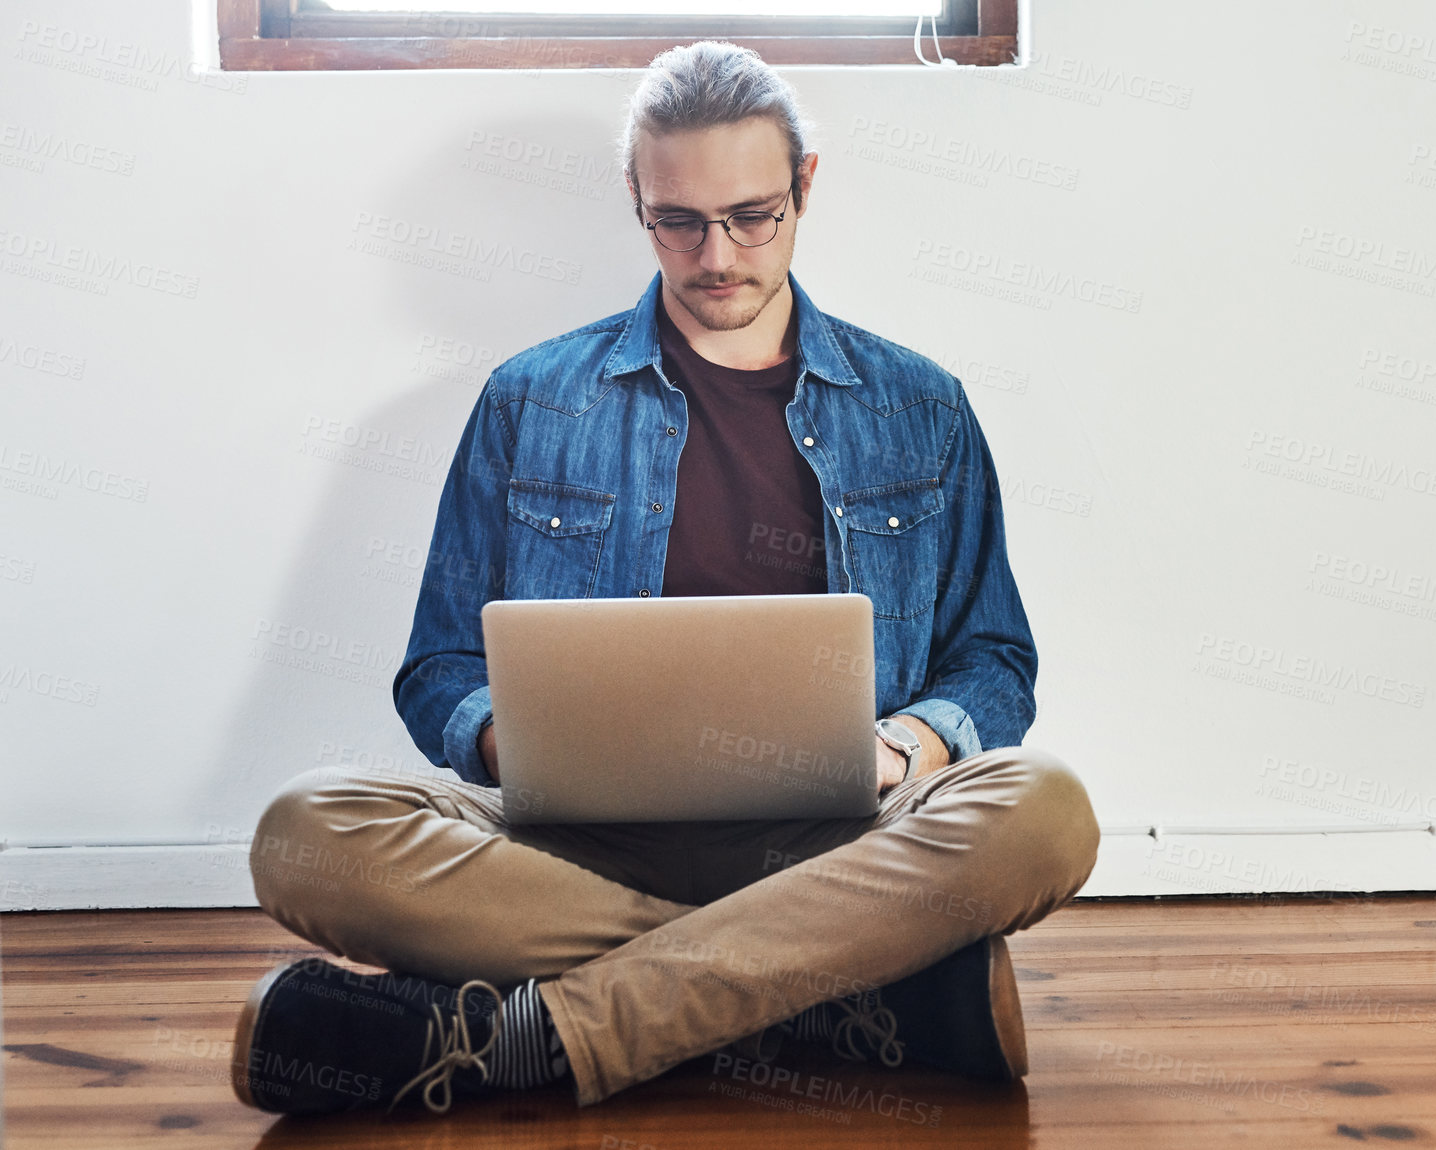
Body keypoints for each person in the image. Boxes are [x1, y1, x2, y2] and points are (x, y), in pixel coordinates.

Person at [231, 40, 1099, 1117]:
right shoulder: (529, 398)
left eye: (751, 216)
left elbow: (995, 662)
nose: (718, 254)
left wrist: (895, 748)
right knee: (306, 834)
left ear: (804, 189)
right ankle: (837, 991)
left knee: (1045, 812)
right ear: (635, 201)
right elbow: (437, 667)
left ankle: (534, 1035)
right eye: (679, 221)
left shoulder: (917, 405)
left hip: (839, 848)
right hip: (575, 847)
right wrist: (525, 745)